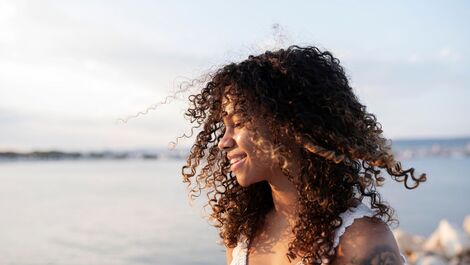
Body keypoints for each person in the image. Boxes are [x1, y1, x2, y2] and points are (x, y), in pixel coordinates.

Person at [181, 45, 426, 265]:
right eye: (224, 126)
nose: (224, 142)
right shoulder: (243, 234)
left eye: (238, 121)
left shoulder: (361, 241)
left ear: (289, 124)